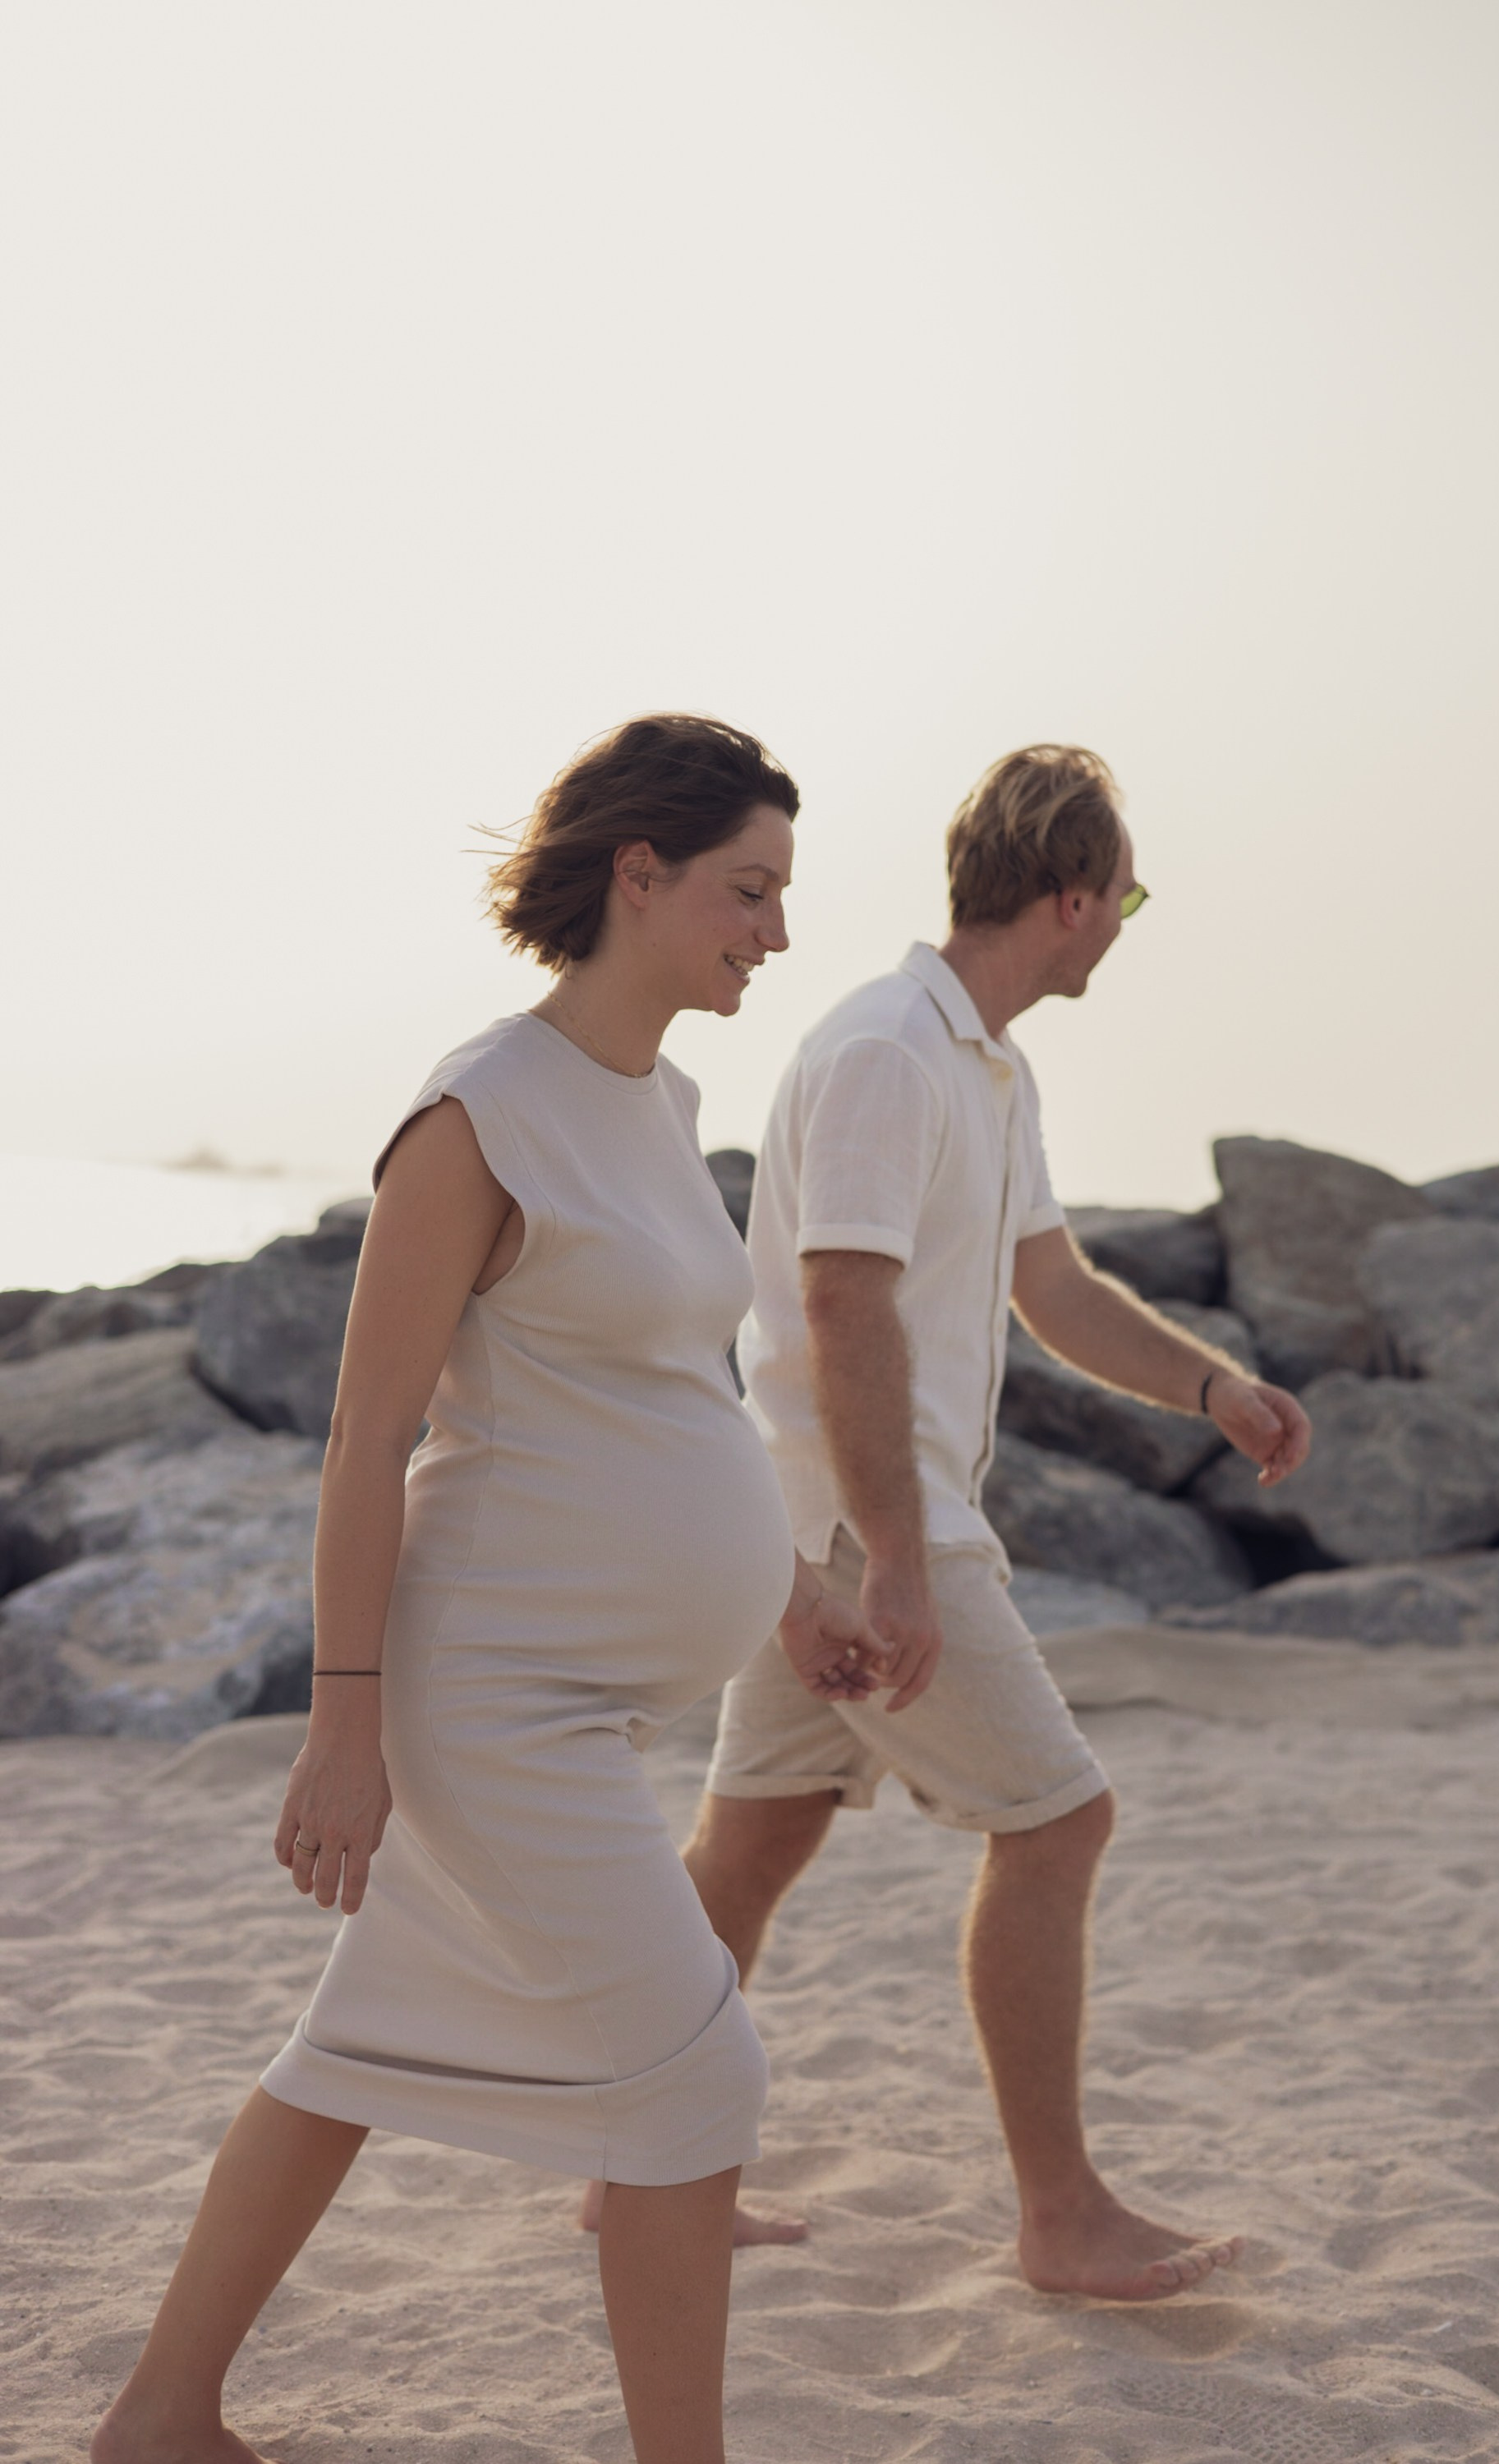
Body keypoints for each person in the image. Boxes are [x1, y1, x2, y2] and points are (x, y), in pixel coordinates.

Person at [91, 713, 886, 2464]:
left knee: (354, 2052)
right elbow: (367, 1438)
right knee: (699, 2078)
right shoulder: (476, 1117)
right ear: (640, 872)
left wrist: (778, 1599)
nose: (773, 930)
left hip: (583, 1700)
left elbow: (664, 1402)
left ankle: (158, 2419)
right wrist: (343, 1732)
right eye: (750, 890)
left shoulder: (660, 1104)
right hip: (489, 1699)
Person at [638, 742, 1314, 2301]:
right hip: (865, 1524)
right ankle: (1060, 2214)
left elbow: (1054, 1287)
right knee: (1058, 1819)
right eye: (1125, 895)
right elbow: (840, 1298)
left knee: (749, 1847)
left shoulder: (986, 1062)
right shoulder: (887, 1051)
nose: (1126, 924)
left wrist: (1214, 1388)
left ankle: (637, 2172)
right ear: (1071, 897)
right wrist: (894, 1557)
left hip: (828, 1520)